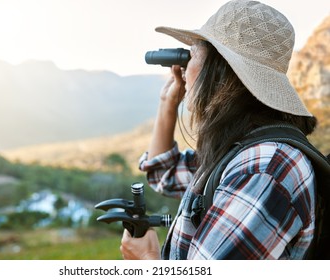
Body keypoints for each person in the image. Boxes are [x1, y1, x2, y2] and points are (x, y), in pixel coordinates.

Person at [120, 0, 318, 260]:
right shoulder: (237, 150)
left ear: (218, 68)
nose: (184, 70)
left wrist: (147, 260)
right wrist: (168, 104)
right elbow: (163, 174)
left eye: (192, 56)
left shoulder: (263, 169)